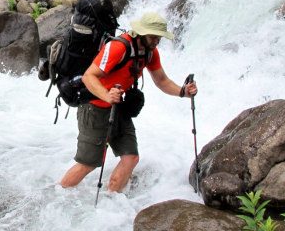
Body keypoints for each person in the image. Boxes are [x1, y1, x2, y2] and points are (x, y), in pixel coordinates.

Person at [59, 11, 197, 193]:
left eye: (159, 37)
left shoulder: (150, 53)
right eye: (153, 36)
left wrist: (183, 92)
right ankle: (57, 194)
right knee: (88, 163)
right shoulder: (118, 47)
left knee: (130, 157)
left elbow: (162, 80)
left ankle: (111, 200)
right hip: (95, 108)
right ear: (141, 32)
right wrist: (107, 95)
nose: (156, 41)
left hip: (119, 109)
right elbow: (88, 77)